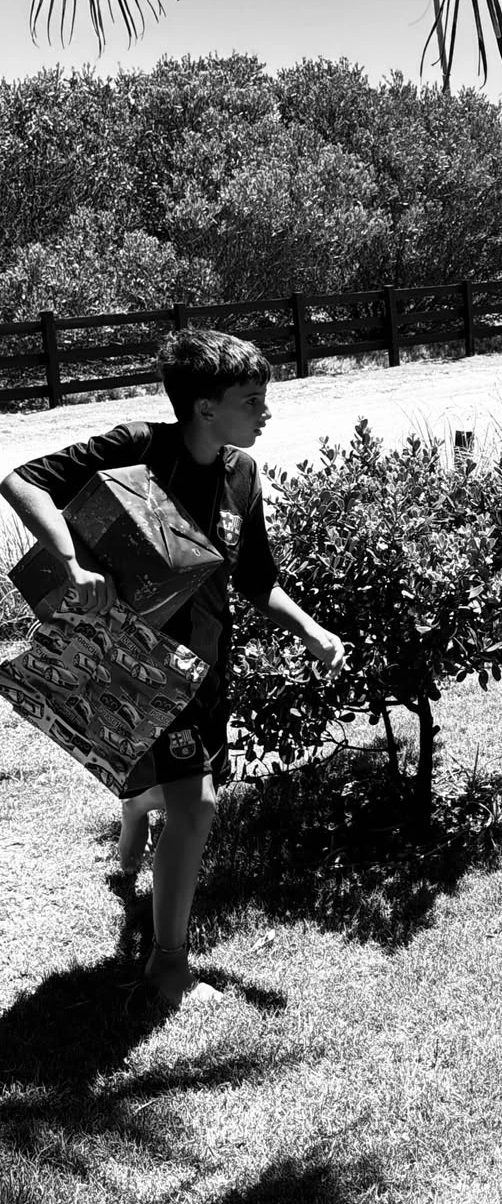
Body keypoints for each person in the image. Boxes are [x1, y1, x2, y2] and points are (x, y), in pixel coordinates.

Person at [0, 328, 345, 1012]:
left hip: (204, 668)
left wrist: (310, 629)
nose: (266, 412)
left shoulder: (241, 476)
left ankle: (135, 824)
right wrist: (72, 562)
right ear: (205, 407)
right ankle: (167, 966)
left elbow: (255, 578)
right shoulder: (140, 446)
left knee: (175, 788)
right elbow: (21, 480)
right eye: (252, 400)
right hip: (138, 666)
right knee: (198, 804)